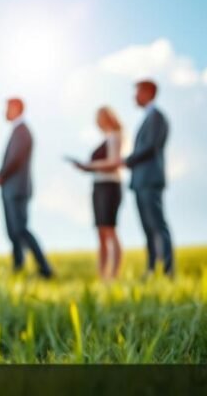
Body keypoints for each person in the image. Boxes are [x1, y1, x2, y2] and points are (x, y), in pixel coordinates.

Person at [0, 98, 53, 278]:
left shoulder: (22, 131)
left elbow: (15, 159)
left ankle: (44, 268)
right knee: (14, 231)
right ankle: (18, 267)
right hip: (11, 188)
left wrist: (1, 175)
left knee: (20, 229)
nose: (5, 112)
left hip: (17, 189)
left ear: (17, 108)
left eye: (8, 108)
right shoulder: (17, 131)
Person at [124, 79, 174, 276]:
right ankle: (152, 269)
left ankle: (168, 271)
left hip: (150, 180)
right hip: (140, 181)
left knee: (157, 225)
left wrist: (127, 160)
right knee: (147, 227)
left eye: (138, 92)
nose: (135, 96)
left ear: (148, 93)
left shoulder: (157, 117)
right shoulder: (148, 117)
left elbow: (150, 147)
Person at [69, 106, 124, 280]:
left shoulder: (115, 136)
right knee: (101, 232)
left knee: (110, 230)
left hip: (110, 186)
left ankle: (113, 275)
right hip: (98, 186)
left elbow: (114, 162)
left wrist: (89, 166)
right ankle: (103, 276)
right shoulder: (106, 138)